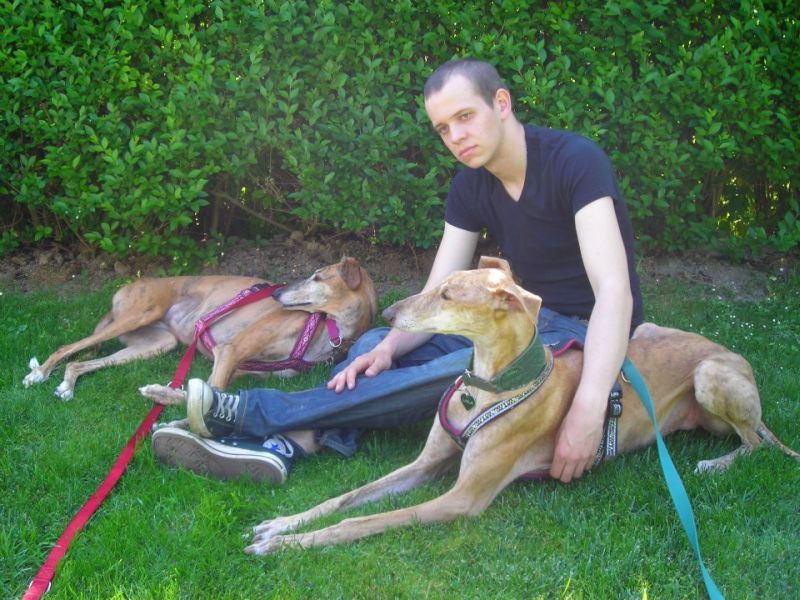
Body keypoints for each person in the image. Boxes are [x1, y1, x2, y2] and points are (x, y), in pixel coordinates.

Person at [152, 58, 643, 486]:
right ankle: (295, 441)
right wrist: (388, 347)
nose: (455, 137)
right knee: (372, 347)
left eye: (465, 117)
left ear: (501, 103)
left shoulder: (574, 162)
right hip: (511, 323)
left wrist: (590, 403)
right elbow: (434, 294)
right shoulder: (470, 186)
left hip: (579, 334)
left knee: (464, 369)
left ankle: (253, 416)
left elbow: (614, 293)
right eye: (443, 128)